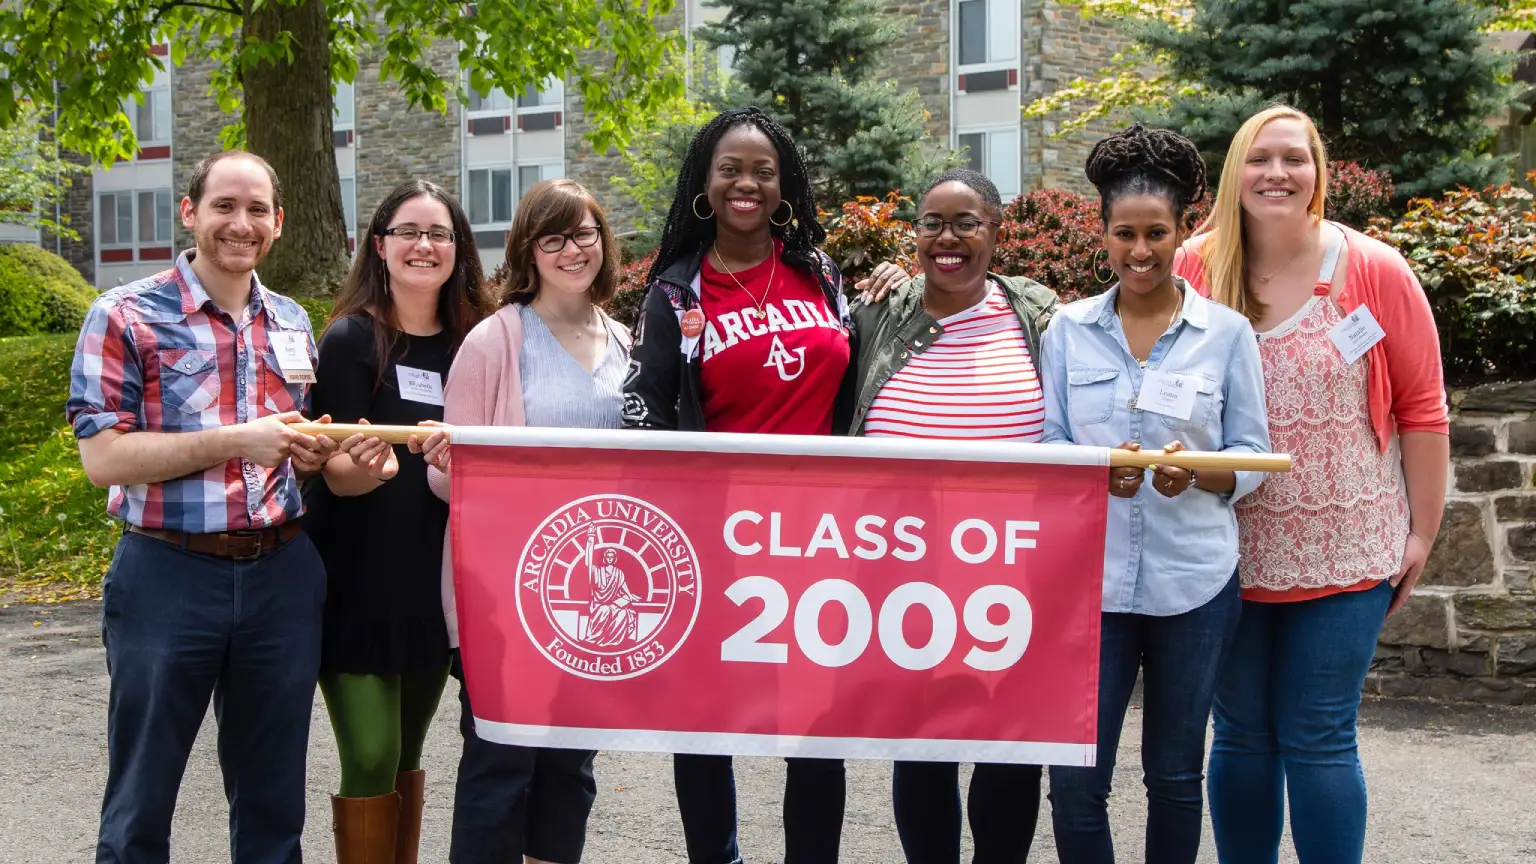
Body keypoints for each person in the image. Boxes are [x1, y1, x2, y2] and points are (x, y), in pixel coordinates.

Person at [1172, 105, 1449, 864]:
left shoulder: (1373, 270)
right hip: (1221, 549)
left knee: (1320, 733)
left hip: (1346, 546)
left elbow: (1423, 407)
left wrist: (1422, 529)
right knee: (1241, 734)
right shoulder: (1193, 270)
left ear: (1318, 173)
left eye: (1295, 159)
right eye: (1260, 159)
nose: (1277, 174)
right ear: (1236, 171)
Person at [67, 150, 338, 864]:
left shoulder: (291, 319)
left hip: (281, 573)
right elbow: (104, 460)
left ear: (277, 223)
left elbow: (293, 438)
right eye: (224, 206)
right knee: (142, 798)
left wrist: (307, 453)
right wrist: (234, 442)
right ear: (190, 213)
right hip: (167, 574)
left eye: (256, 210)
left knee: (275, 805)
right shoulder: (123, 315)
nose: (239, 224)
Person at [622, 106, 855, 864]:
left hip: (822, 538)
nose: (746, 182)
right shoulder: (675, 296)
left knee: (816, 727)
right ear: (705, 183)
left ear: (783, 185)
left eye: (763, 169)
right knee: (707, 720)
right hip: (716, 539)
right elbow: (645, 417)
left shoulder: (820, 274)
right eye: (730, 168)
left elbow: (862, 377)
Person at [1038, 125, 1271, 864]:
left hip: (1194, 585)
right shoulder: (1068, 330)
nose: (1140, 251)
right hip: (1090, 588)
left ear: (1183, 232)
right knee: (1075, 780)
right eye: (1124, 234)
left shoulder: (1227, 335)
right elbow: (1047, 447)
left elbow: (1253, 455)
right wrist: (1096, 468)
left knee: (1175, 776)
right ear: (1102, 234)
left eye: (1156, 234)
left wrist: (1196, 469)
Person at [848, 167, 1058, 864]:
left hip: (1013, 583)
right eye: (933, 222)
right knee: (923, 752)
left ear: (997, 232)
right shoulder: (878, 314)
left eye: (967, 222)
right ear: (914, 235)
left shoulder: (1038, 317)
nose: (948, 237)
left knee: (1009, 754)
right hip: (905, 580)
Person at [421, 178, 631, 864]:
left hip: (594, 593)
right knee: (500, 762)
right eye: (555, 238)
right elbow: (442, 476)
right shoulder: (495, 341)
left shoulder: (628, 344)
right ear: (529, 251)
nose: (574, 250)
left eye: (585, 233)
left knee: (570, 767)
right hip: (506, 596)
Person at [304, 179, 488, 862]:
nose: (424, 245)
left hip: (436, 584)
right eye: (408, 231)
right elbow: (336, 475)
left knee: (409, 754)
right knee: (373, 753)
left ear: (458, 249)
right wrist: (369, 466)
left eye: (439, 233)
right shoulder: (352, 339)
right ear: (380, 245)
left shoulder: (477, 340)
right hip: (358, 582)